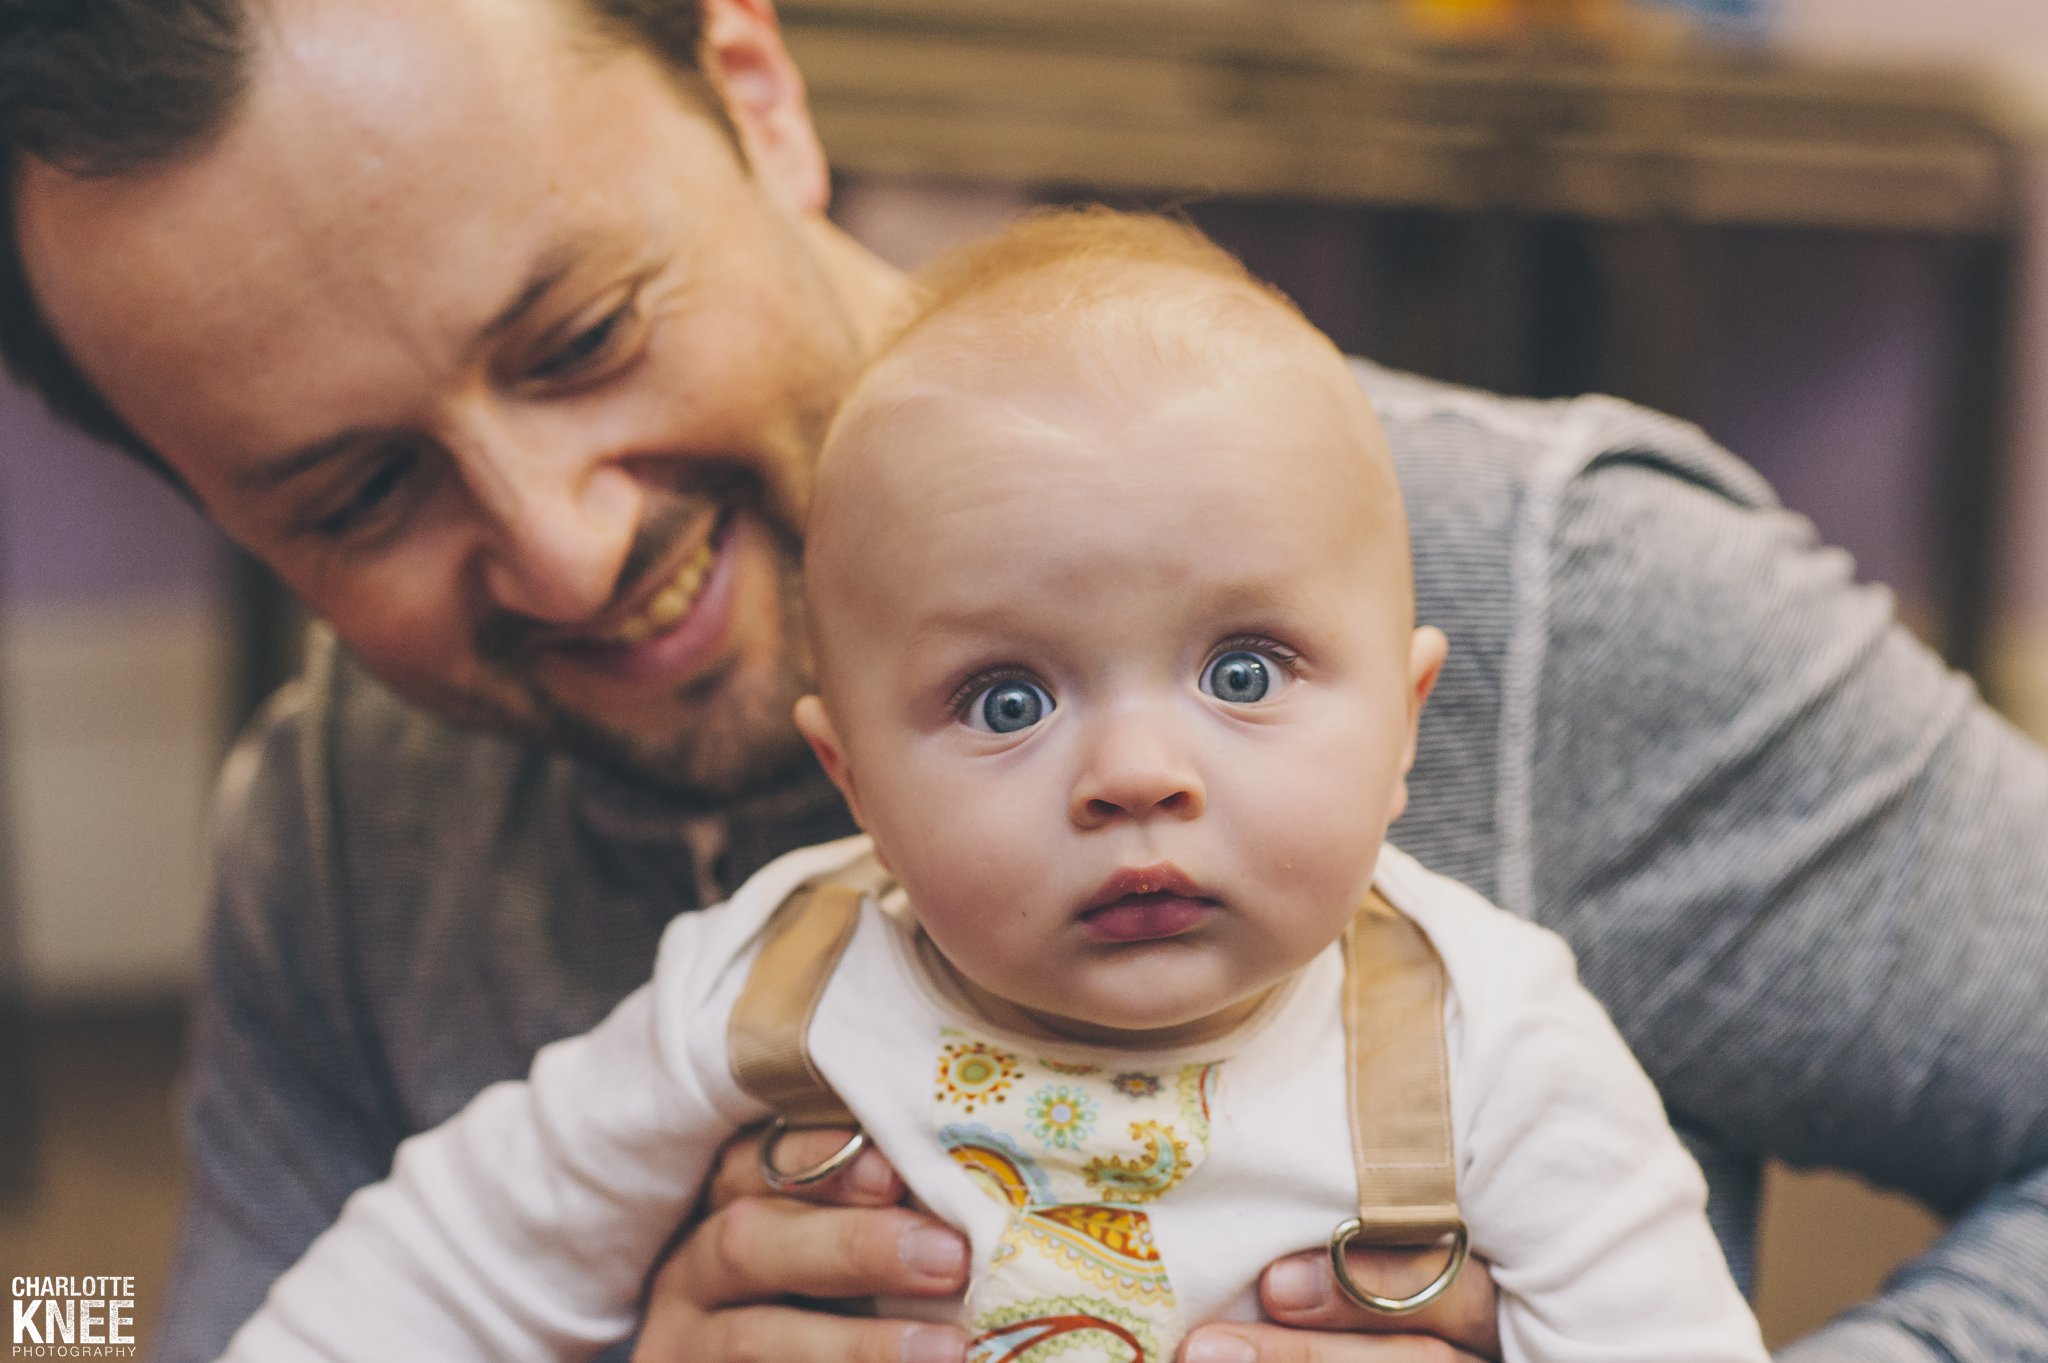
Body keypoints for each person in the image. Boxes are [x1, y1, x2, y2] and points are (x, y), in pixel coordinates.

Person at [2, 0, 2045, 1361]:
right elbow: (175, 1325)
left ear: (756, 89)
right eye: (355, 492)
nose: (562, 542)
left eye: (580, 332)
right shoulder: (347, 824)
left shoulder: (1567, 602)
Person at [222, 209, 1769, 1363]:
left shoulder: (1485, 1037)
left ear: (1407, 719)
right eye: (1007, 700)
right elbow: (454, 1264)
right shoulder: (773, 987)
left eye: (1243, 674)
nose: (1138, 776)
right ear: (856, 784)